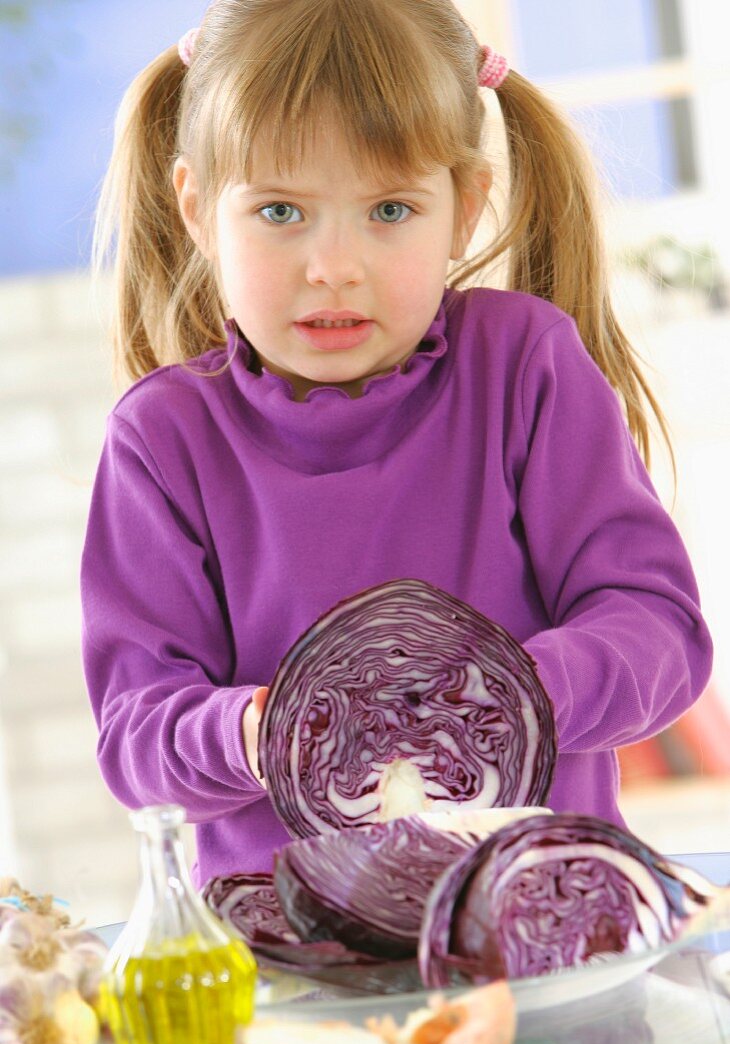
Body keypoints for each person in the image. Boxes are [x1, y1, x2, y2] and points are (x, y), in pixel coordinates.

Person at [83, 0, 712, 888]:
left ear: (463, 209)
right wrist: (258, 734)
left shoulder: (524, 366)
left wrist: (503, 693)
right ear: (195, 209)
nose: (334, 265)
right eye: (279, 211)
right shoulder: (162, 441)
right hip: (292, 970)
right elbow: (137, 743)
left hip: (541, 926)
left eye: (388, 208)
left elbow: (661, 636)